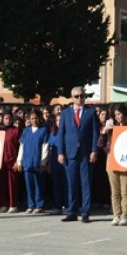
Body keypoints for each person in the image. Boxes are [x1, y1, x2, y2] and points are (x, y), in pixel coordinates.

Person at [56, 87, 98, 222]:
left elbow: (95, 133)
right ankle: (72, 211)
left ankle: (85, 212)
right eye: (77, 96)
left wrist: (94, 150)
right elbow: (61, 134)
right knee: (71, 183)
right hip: (70, 153)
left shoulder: (91, 112)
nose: (79, 99)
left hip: (85, 152)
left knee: (86, 183)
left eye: (82, 96)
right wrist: (60, 152)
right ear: (72, 98)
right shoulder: (66, 113)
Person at [18, 109, 49, 214]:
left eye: (36, 118)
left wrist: (43, 162)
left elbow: (45, 147)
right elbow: (22, 147)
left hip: (37, 162)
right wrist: (19, 161)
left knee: (39, 185)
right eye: (32, 118)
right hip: (27, 161)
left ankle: (39, 205)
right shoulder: (26, 131)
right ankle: (30, 205)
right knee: (29, 185)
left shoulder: (43, 130)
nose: (34, 120)